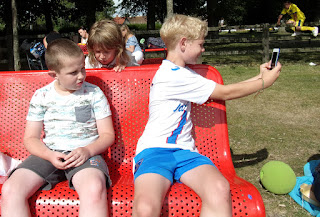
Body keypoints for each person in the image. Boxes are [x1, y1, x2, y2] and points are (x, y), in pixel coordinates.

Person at [132, 14, 281, 217]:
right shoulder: (173, 76)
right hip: (154, 152)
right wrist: (265, 83)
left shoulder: (184, 73)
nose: (203, 49)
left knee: (219, 188)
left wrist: (260, 76)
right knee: (145, 207)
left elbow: (223, 88)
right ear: (184, 43)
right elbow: (226, 93)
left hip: (185, 153)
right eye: (201, 44)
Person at [1, 38, 115, 217]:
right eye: (73, 72)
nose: (81, 76)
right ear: (54, 75)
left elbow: (107, 135)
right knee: (11, 189)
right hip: (49, 153)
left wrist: (87, 150)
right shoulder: (42, 96)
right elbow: (30, 138)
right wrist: (48, 154)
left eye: (83, 68)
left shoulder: (93, 93)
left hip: (85, 155)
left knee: (93, 188)